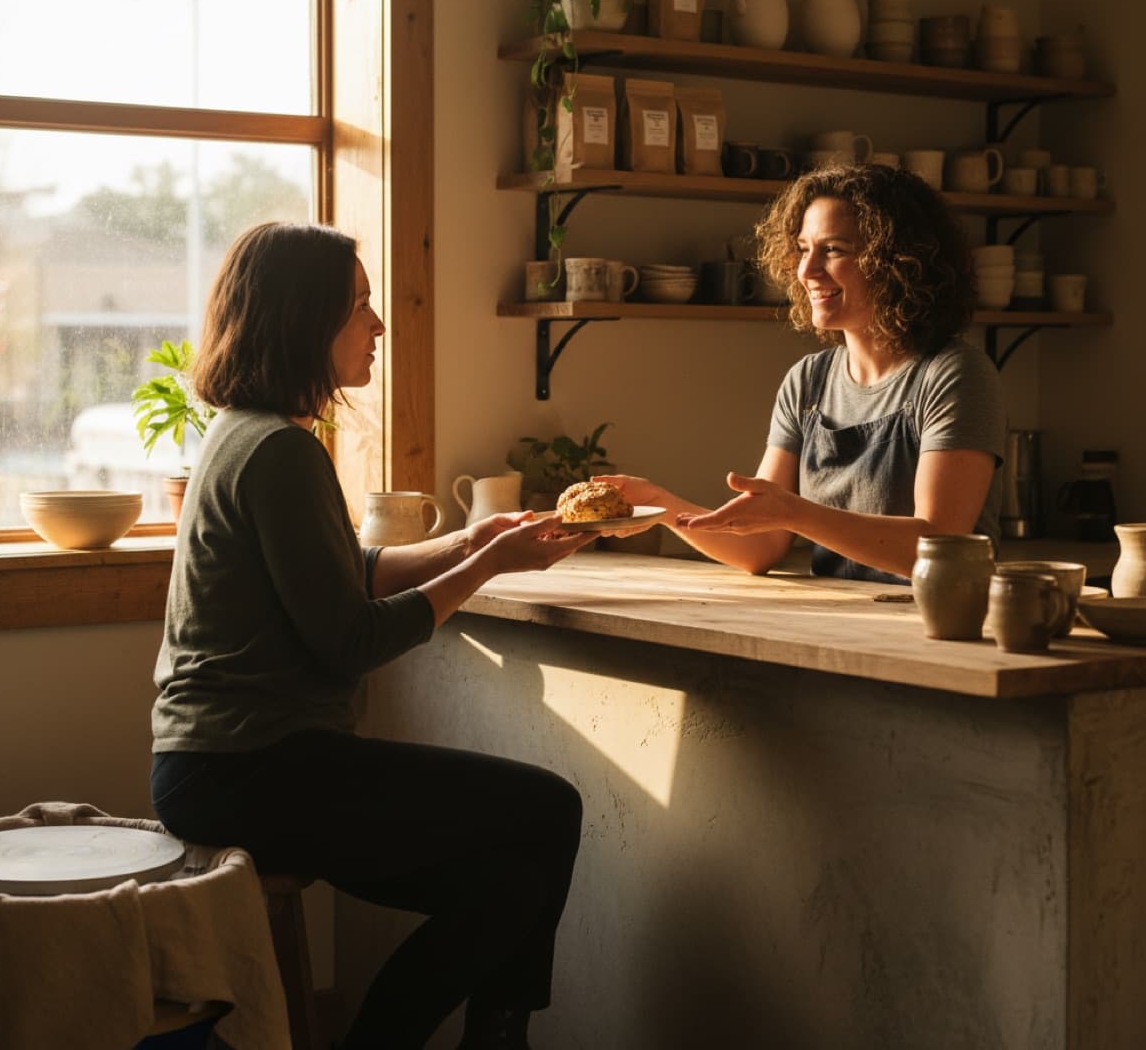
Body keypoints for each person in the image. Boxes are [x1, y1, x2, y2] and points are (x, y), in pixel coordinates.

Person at [150, 222, 595, 1050]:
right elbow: (348, 640)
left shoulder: (242, 434)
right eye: (359, 306)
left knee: (508, 883)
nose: (378, 325)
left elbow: (338, 574)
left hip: (220, 767)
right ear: (302, 321)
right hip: (253, 771)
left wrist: (471, 540)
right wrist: (486, 566)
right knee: (549, 809)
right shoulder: (281, 452)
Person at [603, 163, 1006, 583]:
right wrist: (661, 506)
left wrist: (795, 512)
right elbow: (759, 546)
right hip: (838, 623)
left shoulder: (954, 375)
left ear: (898, 262)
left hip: (941, 625)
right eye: (803, 248)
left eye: (833, 249)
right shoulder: (809, 381)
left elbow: (938, 546)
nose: (807, 270)